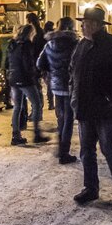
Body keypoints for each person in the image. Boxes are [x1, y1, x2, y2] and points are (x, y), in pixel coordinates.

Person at [69, 6, 112, 204]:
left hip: (107, 109)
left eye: (85, 23)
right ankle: (91, 188)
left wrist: (110, 96)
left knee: (108, 147)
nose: (82, 27)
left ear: (96, 25)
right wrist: (73, 94)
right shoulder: (81, 45)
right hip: (84, 108)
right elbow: (72, 70)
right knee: (86, 151)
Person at [37, 17, 79, 164]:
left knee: (61, 118)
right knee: (68, 120)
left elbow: (40, 63)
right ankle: (63, 152)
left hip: (56, 86)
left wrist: (52, 73)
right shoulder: (75, 44)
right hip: (70, 86)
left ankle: (61, 148)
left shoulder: (50, 44)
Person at [7, 24, 48, 145]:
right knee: (36, 104)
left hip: (14, 79)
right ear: (30, 34)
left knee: (17, 107)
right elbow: (28, 63)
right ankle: (36, 133)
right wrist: (35, 75)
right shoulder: (27, 46)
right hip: (25, 79)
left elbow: (8, 63)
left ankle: (16, 135)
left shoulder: (12, 45)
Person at [42, 20, 56, 110]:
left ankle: (50, 102)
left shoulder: (43, 37)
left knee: (49, 85)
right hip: (52, 63)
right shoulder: (54, 37)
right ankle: (51, 103)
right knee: (51, 84)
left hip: (46, 63)